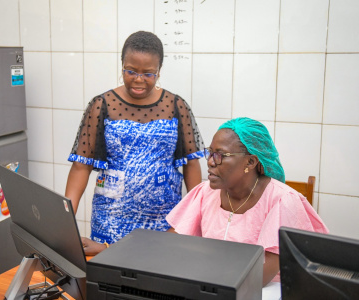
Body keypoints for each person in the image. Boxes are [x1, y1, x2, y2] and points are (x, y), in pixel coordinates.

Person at [65, 31, 204, 255]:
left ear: (159, 71)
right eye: (131, 71)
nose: (138, 79)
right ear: (122, 66)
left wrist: (193, 219)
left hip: (164, 223)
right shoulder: (101, 105)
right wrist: (65, 220)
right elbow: (81, 166)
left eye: (148, 73)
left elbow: (192, 165)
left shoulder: (176, 106)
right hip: (110, 222)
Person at [166, 117, 328, 286]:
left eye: (220, 155)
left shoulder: (282, 201)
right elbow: (170, 245)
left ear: (250, 162)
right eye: (210, 152)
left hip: (262, 291)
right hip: (211, 285)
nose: (210, 162)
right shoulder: (205, 192)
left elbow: (260, 276)